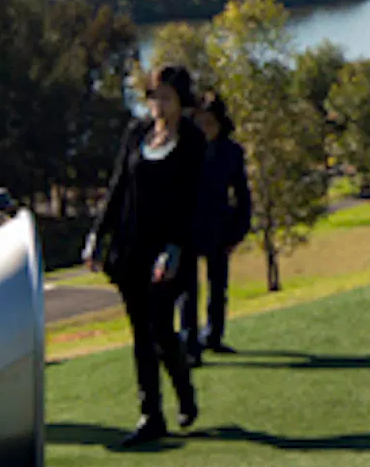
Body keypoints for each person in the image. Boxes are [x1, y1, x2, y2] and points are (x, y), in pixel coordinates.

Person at [87, 63, 205, 444]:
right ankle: (150, 415)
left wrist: (174, 248)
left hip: (169, 249)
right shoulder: (136, 132)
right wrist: (97, 235)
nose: (157, 103)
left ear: (180, 101)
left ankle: (184, 394)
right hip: (130, 248)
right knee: (140, 333)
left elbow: (192, 200)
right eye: (154, 95)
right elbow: (118, 185)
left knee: (160, 329)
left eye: (166, 97)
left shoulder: (192, 139)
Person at [188, 95, 254, 356]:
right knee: (188, 291)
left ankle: (214, 336)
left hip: (219, 228)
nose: (205, 128)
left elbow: (242, 195)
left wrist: (238, 231)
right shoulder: (185, 150)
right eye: (200, 122)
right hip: (189, 228)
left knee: (218, 288)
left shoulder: (231, 152)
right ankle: (190, 342)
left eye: (209, 122)